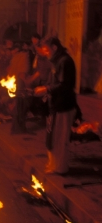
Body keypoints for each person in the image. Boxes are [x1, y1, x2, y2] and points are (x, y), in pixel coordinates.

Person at [34, 37, 77, 175]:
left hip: (63, 105)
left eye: (46, 49)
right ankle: (53, 165)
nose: (45, 53)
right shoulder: (56, 61)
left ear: (54, 47)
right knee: (52, 136)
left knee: (60, 138)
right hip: (55, 105)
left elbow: (64, 84)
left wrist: (46, 89)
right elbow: (53, 81)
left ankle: (60, 168)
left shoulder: (65, 61)